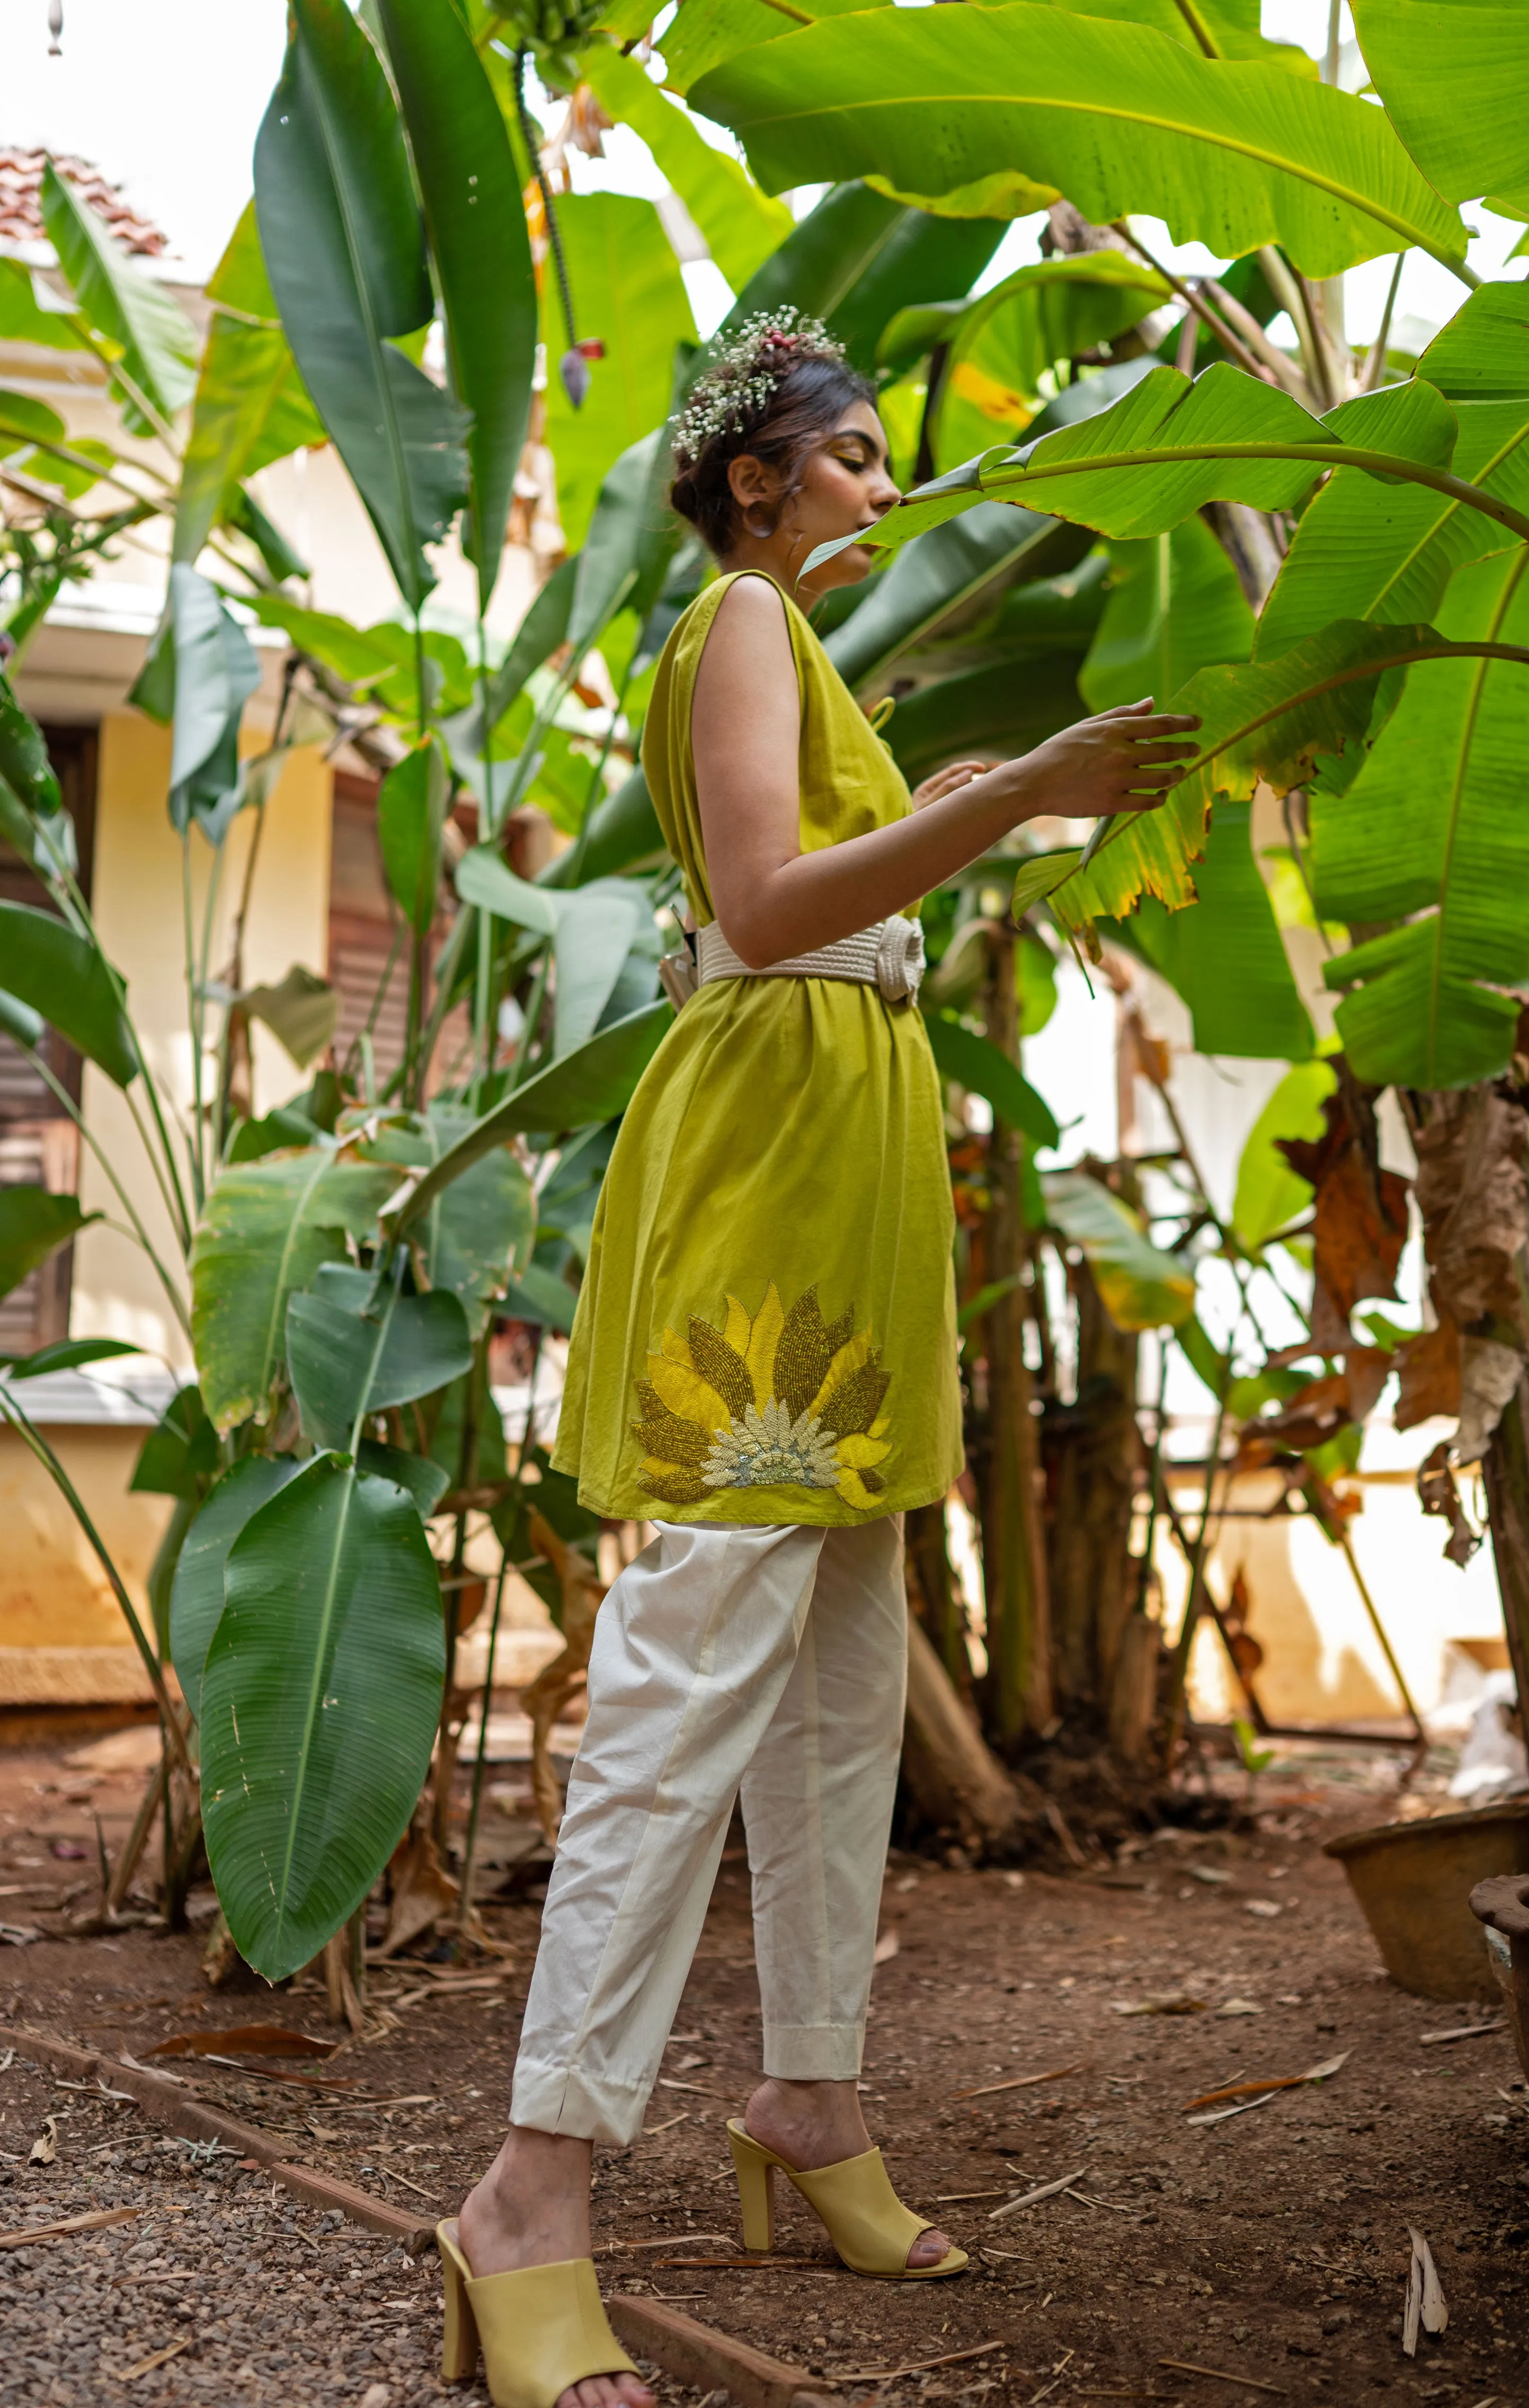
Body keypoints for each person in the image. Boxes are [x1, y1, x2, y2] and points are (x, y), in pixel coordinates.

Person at [438, 311, 1200, 2408]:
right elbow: (766, 907)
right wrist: (1026, 793)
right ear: (756, 481)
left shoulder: (804, 658)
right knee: (692, 1682)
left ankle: (812, 2097)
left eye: (883, 460)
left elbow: (821, 887)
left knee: (842, 1675)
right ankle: (530, 2184)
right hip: (772, 1186)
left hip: (841, 1200)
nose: (883, 487)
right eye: (849, 458)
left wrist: (961, 805)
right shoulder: (745, 620)